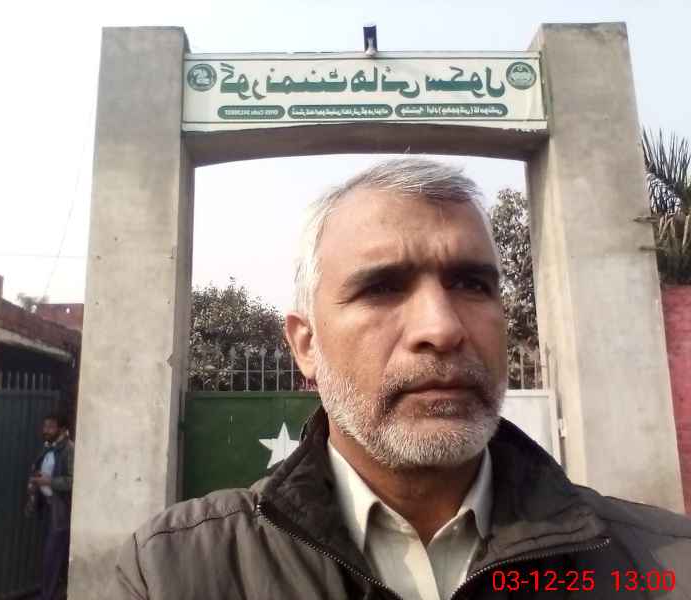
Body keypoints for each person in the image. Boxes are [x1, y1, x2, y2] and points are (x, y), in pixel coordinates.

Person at [113, 158, 691, 599]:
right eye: (383, 287)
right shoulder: (174, 573)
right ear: (306, 345)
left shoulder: (662, 564)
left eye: (472, 284)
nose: (442, 328)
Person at [28, 412, 74, 600]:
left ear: (61, 429)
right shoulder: (48, 447)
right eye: (45, 426)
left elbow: (72, 481)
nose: (45, 430)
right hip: (47, 507)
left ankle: (48, 596)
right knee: (51, 554)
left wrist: (48, 481)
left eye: (50, 427)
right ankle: (53, 593)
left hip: (60, 509)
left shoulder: (69, 450)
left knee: (52, 555)